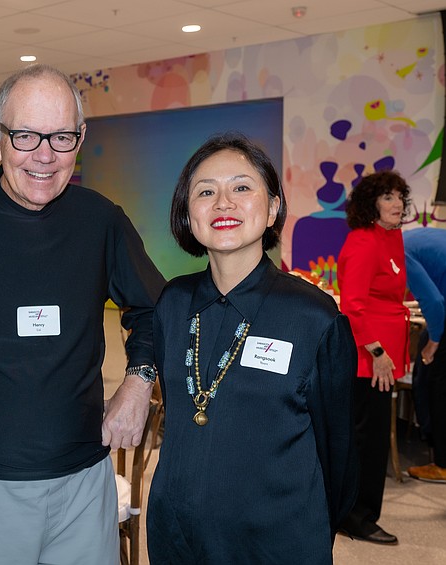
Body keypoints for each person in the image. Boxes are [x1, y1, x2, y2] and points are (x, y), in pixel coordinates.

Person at [0, 64, 166, 565]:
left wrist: (138, 382)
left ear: (80, 138)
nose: (44, 155)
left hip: (85, 485)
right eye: (26, 136)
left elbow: (157, 307)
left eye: (61, 137)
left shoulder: (100, 220)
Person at [146, 132, 358, 563]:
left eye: (241, 187)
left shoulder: (314, 317)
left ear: (273, 207)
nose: (223, 203)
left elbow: (338, 451)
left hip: (276, 542)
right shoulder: (172, 303)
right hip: (177, 536)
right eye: (206, 192)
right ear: (189, 214)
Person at [337, 169, 411, 545]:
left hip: (384, 355)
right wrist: (379, 353)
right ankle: (359, 518)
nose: (396, 203)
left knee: (372, 438)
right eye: (387, 197)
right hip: (371, 359)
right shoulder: (365, 241)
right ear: (371, 204)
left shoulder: (390, 238)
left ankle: (356, 513)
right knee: (369, 441)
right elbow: (352, 306)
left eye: (399, 196)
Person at [403, 226, 446, 482]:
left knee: (435, 383)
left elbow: (435, 302)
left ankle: (441, 463)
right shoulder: (412, 237)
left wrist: (435, 341)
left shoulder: (400, 251)